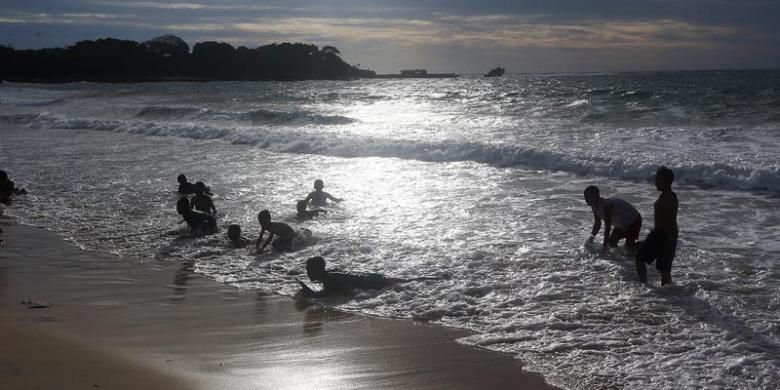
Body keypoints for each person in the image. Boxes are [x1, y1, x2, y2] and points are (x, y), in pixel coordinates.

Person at [636, 167, 678, 285]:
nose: (655, 182)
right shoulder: (669, 196)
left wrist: (669, 238)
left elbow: (669, 219)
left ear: (665, 181)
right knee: (664, 270)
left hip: (663, 234)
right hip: (666, 234)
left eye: (657, 180)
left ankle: (645, 286)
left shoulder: (668, 198)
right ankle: (669, 295)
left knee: (640, 258)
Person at [297, 256, 398, 297]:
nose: (307, 273)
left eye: (309, 270)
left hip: (371, 282)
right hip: (369, 277)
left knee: (405, 284)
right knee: (404, 282)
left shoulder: (329, 280)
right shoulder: (328, 276)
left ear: (318, 270)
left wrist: (316, 295)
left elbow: (350, 292)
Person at [584, 185, 642, 251]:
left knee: (629, 247)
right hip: (622, 223)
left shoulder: (606, 206)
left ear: (596, 196)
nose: (586, 199)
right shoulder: (594, 206)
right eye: (585, 197)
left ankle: (647, 244)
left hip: (633, 220)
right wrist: (591, 238)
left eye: (588, 197)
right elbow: (597, 224)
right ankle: (619, 258)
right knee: (611, 243)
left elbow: (607, 227)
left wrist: (604, 246)